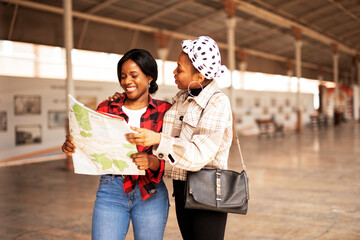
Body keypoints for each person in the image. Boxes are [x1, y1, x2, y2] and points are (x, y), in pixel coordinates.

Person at [112, 36, 233, 240]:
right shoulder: (182, 100)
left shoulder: (217, 103)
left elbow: (198, 154)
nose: (174, 72)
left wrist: (158, 140)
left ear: (200, 76)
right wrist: (122, 100)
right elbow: (155, 119)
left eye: (179, 69)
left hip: (207, 191)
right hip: (183, 188)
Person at [62, 49, 172, 240]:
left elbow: (174, 154)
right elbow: (92, 144)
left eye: (133, 75)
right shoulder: (106, 108)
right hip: (111, 188)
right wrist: (73, 145)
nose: (127, 81)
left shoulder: (165, 112)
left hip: (150, 191)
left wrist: (151, 161)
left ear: (150, 77)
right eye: (123, 76)